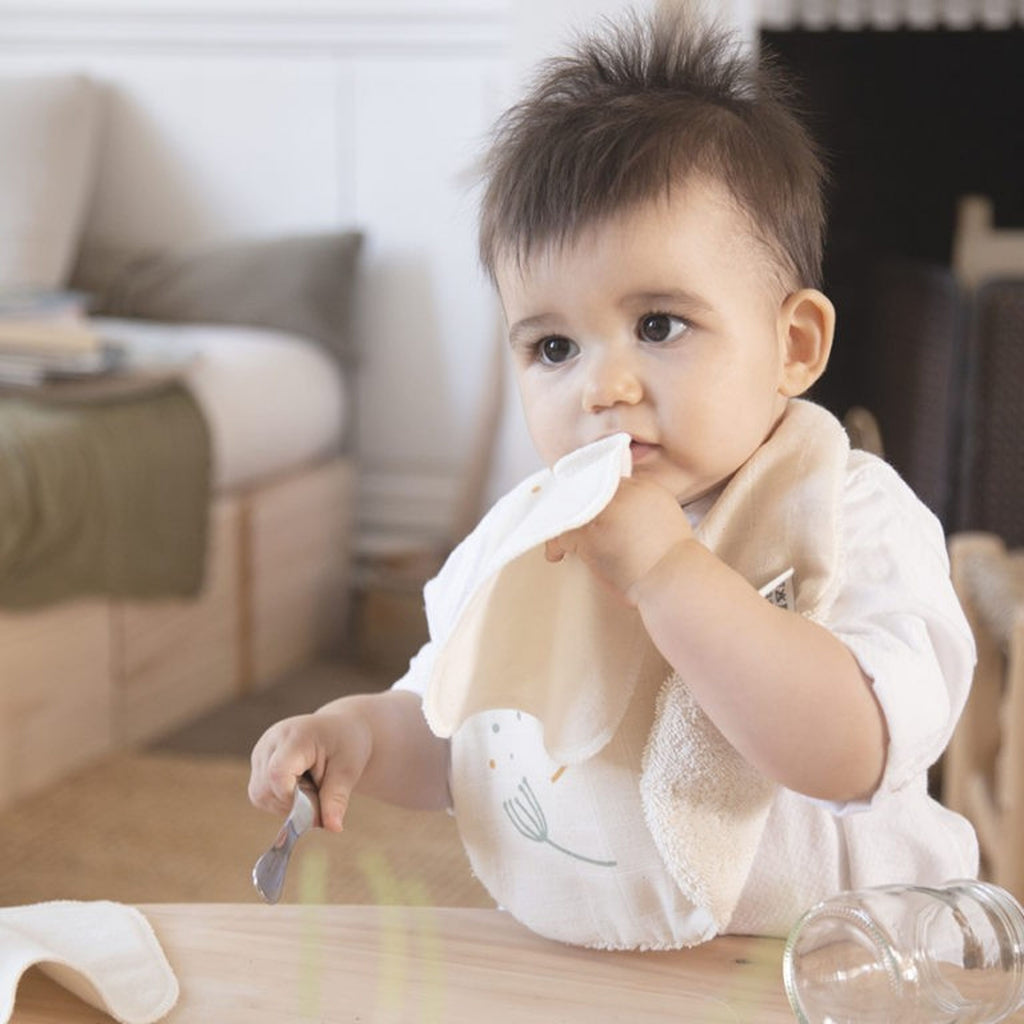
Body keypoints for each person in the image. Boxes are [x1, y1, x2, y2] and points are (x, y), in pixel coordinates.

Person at [249, 7, 978, 948]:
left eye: (660, 325)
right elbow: (461, 728)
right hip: (603, 964)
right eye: (554, 346)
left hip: (846, 961)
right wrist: (354, 734)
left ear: (793, 345)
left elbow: (849, 754)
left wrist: (668, 575)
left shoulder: (850, 514)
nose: (605, 386)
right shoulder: (533, 532)